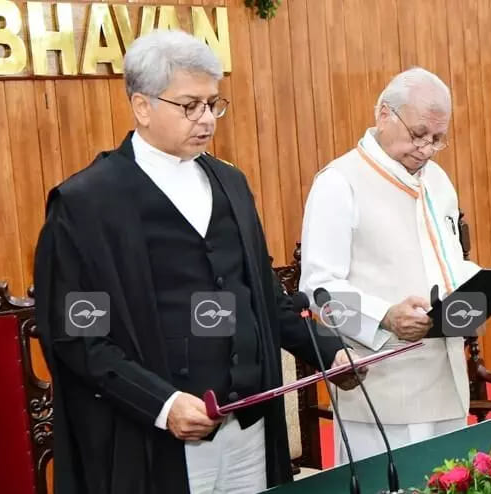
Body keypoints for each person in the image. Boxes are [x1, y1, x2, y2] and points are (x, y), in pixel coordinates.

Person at [34, 29, 354, 494]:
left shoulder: (231, 184)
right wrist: (163, 405)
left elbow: (263, 297)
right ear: (142, 107)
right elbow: (80, 338)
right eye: (190, 106)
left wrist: (329, 352)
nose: (207, 119)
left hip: (249, 430)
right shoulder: (86, 205)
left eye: (214, 104)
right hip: (154, 442)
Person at [299, 67, 491, 463]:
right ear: (383, 114)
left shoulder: (437, 180)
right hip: (383, 386)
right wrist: (384, 316)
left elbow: (447, 266)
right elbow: (317, 287)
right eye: (418, 134)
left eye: (438, 139)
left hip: (446, 377)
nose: (426, 148)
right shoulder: (338, 182)